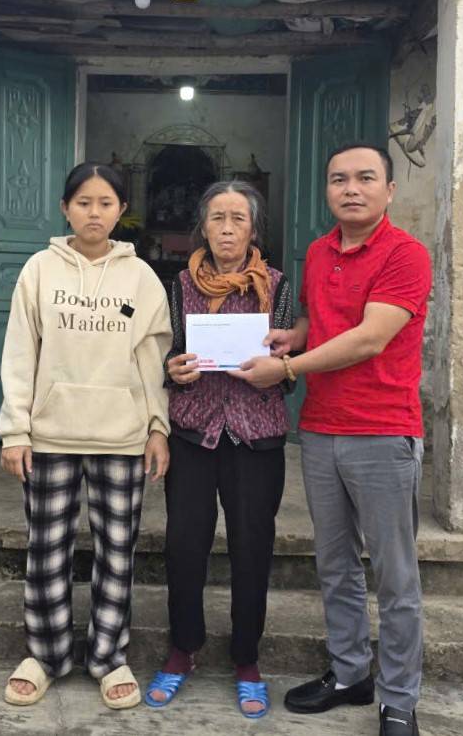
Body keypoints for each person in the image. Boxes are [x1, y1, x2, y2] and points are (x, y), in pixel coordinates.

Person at [230, 145, 431, 736]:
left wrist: (288, 371)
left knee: (395, 576)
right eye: (338, 179)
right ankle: (350, 673)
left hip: (383, 431)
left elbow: (370, 338)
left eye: (366, 178)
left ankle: (399, 699)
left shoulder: (406, 254)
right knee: (335, 564)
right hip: (319, 429)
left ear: (389, 190)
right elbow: (324, 325)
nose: (351, 189)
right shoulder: (319, 253)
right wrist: (290, 337)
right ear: (327, 190)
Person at [0, 162, 172, 711]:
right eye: (83, 202)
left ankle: (108, 657)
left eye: (105, 203)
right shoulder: (39, 270)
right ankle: (44, 655)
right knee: (46, 550)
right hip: (50, 434)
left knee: (116, 552)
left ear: (122, 210)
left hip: (120, 435)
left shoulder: (140, 279)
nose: (94, 213)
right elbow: (21, 353)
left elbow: (152, 359)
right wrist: (14, 430)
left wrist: (157, 426)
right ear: (64, 208)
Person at [144, 181, 295, 719]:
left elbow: (289, 366)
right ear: (202, 228)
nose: (227, 228)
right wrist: (175, 372)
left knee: (253, 548)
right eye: (217, 218)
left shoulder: (277, 287)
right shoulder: (177, 284)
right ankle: (183, 649)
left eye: (238, 218)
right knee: (185, 546)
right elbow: (168, 356)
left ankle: (246, 659)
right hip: (193, 432)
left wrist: (277, 370)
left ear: (254, 229)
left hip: (257, 435)